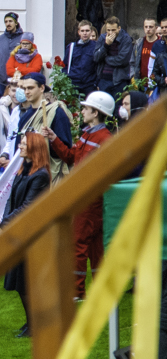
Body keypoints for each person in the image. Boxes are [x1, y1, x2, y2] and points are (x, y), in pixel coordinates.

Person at [39, 91, 113, 300]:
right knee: (95, 246)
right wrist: (54, 138)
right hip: (88, 198)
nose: (82, 111)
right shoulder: (89, 134)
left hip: (89, 199)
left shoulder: (103, 139)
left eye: (86, 108)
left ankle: (77, 291)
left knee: (78, 243)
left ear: (96, 113)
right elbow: (71, 157)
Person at [2, 133, 51, 337]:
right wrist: (5, 219)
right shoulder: (23, 170)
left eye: (23, 144)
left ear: (34, 148)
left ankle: (34, 324)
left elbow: (28, 206)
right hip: (19, 231)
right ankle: (30, 322)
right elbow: (12, 199)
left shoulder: (40, 176)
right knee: (19, 281)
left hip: (32, 235)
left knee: (26, 282)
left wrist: (6, 222)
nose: (20, 147)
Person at [0, 73, 73, 185]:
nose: (26, 92)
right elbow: (19, 150)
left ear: (41, 88)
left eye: (30, 88)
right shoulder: (25, 116)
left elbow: (66, 152)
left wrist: (50, 140)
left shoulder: (56, 113)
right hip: (26, 177)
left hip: (49, 178)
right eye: (24, 88)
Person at [0, 12, 24, 92]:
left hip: (18, 81)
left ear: (16, 23)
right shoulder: (0, 39)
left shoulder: (23, 39)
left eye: (10, 21)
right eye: (6, 22)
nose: (8, 24)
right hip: (2, 81)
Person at [63, 20, 99, 97]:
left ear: (91, 32)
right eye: (82, 31)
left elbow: (98, 65)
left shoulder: (96, 46)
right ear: (79, 32)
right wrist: (66, 79)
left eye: (87, 31)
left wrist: (96, 82)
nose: (84, 33)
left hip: (89, 84)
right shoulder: (71, 47)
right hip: (73, 83)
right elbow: (65, 65)